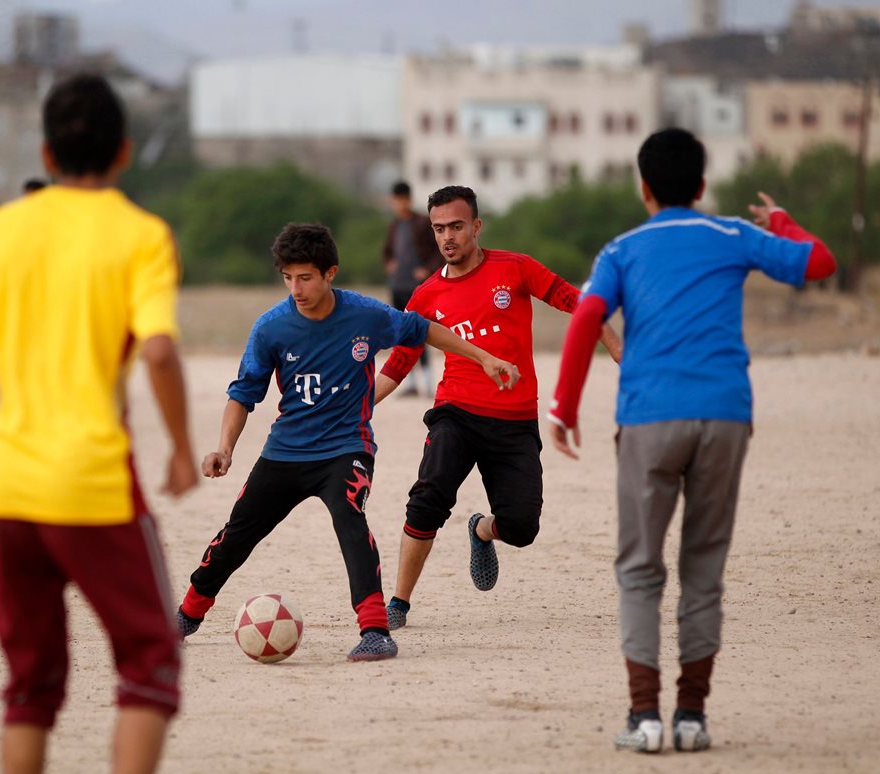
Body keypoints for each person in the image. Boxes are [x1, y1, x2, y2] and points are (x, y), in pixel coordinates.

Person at [0, 74, 197, 774]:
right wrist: (177, 444)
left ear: (45, 152)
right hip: (95, 484)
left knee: (31, 680)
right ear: (125, 152)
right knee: (149, 656)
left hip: (8, 485)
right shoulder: (141, 235)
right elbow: (161, 352)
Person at [548, 128, 836, 754]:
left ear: (644, 187)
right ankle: (693, 718)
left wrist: (564, 408)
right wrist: (783, 221)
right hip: (725, 415)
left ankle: (645, 718)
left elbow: (589, 319)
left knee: (639, 565)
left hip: (651, 417)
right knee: (703, 568)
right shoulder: (732, 234)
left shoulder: (622, 249)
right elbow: (819, 263)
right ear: (702, 186)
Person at [176, 222, 520, 662]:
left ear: (330, 273)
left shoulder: (365, 316)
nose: (296, 288)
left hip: (345, 449)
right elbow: (242, 395)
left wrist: (485, 357)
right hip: (284, 453)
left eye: (305, 277)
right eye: (287, 278)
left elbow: (424, 329)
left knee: (350, 521)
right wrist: (225, 447)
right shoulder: (271, 328)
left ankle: (375, 631)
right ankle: (186, 616)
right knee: (236, 537)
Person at [376, 185, 622, 630]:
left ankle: (482, 530)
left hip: (514, 420)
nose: (447, 237)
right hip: (456, 412)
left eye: (455, 226)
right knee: (427, 498)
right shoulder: (425, 297)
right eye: (438, 229)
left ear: (476, 226)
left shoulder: (515, 268)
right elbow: (398, 364)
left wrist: (611, 340)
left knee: (523, 527)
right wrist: (358, 405)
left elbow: (576, 300)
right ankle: (398, 603)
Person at [382, 181, 442, 396]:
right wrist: (389, 264)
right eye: (396, 201)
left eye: (403, 200)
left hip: (417, 287)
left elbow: (438, 251)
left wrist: (426, 269)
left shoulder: (422, 223)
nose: (400, 205)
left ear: (409, 199)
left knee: (420, 330)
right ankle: (409, 382)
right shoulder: (394, 226)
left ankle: (427, 380)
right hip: (398, 284)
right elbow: (387, 252)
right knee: (401, 333)